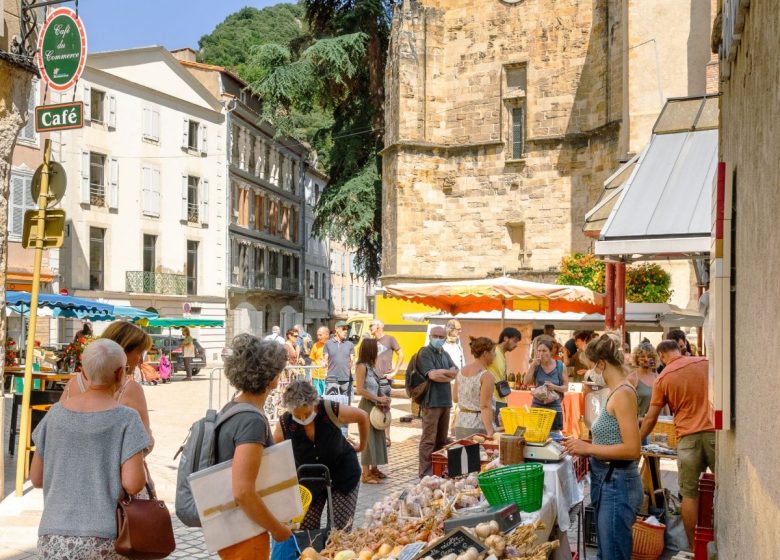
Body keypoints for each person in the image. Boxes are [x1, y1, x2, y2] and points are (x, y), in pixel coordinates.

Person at [31, 339, 149, 559]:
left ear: (83, 372)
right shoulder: (126, 418)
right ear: (119, 374)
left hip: (52, 537)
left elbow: (36, 478)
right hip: (104, 539)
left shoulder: (54, 414)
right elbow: (133, 484)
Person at [563, 333, 643, 560]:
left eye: (592, 369)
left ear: (602, 364)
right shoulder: (616, 392)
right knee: (606, 552)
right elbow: (612, 437)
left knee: (612, 555)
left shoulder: (623, 394)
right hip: (608, 479)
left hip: (617, 482)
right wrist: (585, 444)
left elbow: (632, 449)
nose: (591, 375)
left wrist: (587, 449)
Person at [217, 335, 292, 559]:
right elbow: (243, 491)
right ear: (270, 378)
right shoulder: (252, 420)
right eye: (279, 370)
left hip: (231, 528)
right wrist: (278, 530)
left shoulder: (233, 407)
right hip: (246, 532)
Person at [640, 340, 715, 549]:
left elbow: (651, 418)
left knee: (690, 494)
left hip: (688, 439)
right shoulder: (705, 362)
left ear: (662, 356)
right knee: (722, 487)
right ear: (679, 349)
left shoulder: (663, 378)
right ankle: (721, 535)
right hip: (715, 433)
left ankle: (694, 548)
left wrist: (637, 440)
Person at [274, 380, 368, 530]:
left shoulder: (330, 409)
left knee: (340, 530)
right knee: (306, 530)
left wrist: (362, 446)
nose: (303, 419)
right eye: (298, 415)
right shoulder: (284, 424)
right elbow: (277, 456)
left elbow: (362, 416)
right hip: (308, 482)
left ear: (314, 403)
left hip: (343, 475)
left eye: (307, 413)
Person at [60, 321, 154, 449]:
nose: (140, 360)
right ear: (125, 350)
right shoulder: (130, 388)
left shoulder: (74, 383)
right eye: (139, 353)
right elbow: (144, 442)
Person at [417, 326, 458, 478]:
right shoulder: (425, 353)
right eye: (435, 336)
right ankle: (425, 473)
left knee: (441, 439)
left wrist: (443, 373)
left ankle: (437, 470)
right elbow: (432, 376)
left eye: (441, 337)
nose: (438, 339)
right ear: (430, 336)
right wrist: (447, 373)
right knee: (428, 439)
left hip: (445, 401)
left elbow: (456, 372)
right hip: (431, 401)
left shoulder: (444, 353)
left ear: (446, 338)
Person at [353, 338, 391, 483]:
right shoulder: (361, 366)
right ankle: (365, 474)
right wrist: (377, 398)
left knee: (377, 438)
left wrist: (383, 397)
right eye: (376, 348)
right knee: (368, 440)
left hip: (375, 406)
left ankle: (374, 469)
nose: (378, 350)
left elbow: (376, 386)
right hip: (367, 407)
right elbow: (360, 390)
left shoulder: (371, 366)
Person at [453, 337, 496, 438]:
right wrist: (490, 431)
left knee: (462, 453)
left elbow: (455, 398)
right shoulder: (486, 375)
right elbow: (485, 406)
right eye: (493, 351)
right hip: (478, 424)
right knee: (479, 454)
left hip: (461, 422)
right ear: (485, 353)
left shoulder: (461, 371)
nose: (495, 355)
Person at [369, 319, 402, 446]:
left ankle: (386, 437)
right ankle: (375, 434)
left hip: (384, 379)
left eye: (371, 325)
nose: (369, 327)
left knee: (385, 407)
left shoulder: (390, 339)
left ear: (378, 327)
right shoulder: (371, 342)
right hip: (372, 379)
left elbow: (401, 355)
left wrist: (395, 372)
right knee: (372, 406)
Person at [524, 339, 568, 432]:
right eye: (539, 351)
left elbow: (565, 387)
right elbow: (526, 382)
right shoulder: (536, 366)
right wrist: (532, 366)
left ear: (551, 352)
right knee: (535, 433)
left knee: (554, 436)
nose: (541, 354)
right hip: (537, 406)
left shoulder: (560, 366)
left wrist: (554, 387)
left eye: (544, 351)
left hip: (554, 408)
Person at [486, 327, 522, 423]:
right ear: (506, 338)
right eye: (514, 341)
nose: (516, 345)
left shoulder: (501, 354)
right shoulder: (493, 352)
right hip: (492, 399)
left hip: (501, 398)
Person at [627, 341, 660, 437]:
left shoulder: (658, 377)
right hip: (639, 428)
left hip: (659, 428)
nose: (646, 359)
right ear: (637, 359)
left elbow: (664, 406)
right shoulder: (632, 378)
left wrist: (667, 419)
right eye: (642, 356)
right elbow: (626, 405)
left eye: (649, 356)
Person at [324, 320, 355, 399]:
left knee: (347, 406)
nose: (346, 331)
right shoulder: (328, 343)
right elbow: (325, 359)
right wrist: (323, 363)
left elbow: (352, 360)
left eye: (347, 329)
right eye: (344, 329)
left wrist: (352, 364)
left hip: (346, 379)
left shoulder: (350, 344)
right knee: (331, 405)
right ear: (337, 329)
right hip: (332, 379)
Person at [309, 326, 330, 395]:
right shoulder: (315, 345)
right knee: (317, 398)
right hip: (316, 377)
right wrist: (311, 375)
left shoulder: (332, 345)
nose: (318, 337)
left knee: (327, 398)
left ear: (327, 335)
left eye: (320, 335)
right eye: (317, 335)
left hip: (328, 377)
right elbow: (313, 360)